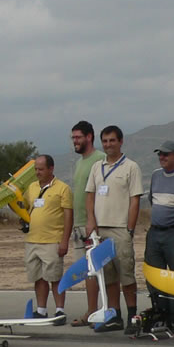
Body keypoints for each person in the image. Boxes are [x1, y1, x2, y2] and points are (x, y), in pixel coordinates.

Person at [85, 125, 143, 330]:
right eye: (105, 141)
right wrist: (91, 221)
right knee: (108, 276)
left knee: (126, 274)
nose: (108, 144)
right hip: (100, 230)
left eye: (112, 140)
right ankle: (114, 316)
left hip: (120, 228)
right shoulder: (96, 167)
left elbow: (135, 200)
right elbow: (90, 195)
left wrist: (129, 228)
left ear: (120, 141)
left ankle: (133, 317)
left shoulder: (131, 167)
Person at [143, 140, 174, 334]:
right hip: (155, 232)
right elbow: (152, 200)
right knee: (154, 274)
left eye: (166, 154)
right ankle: (160, 312)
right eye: (159, 154)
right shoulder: (155, 175)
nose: (161, 157)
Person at [23, 155, 72, 324]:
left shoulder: (63, 188)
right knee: (38, 277)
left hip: (52, 240)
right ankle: (41, 310)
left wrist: (64, 241)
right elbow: (24, 209)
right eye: (36, 169)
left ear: (51, 168)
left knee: (55, 277)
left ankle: (60, 311)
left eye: (41, 169)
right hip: (32, 240)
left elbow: (68, 216)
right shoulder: (31, 187)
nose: (38, 172)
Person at [69, 120, 105, 327]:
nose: (75, 141)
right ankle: (92, 309)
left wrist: (94, 220)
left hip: (93, 225)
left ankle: (97, 311)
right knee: (87, 271)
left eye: (78, 137)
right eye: (73, 138)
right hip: (79, 224)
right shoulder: (80, 162)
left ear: (89, 137)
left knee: (97, 269)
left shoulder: (99, 159)